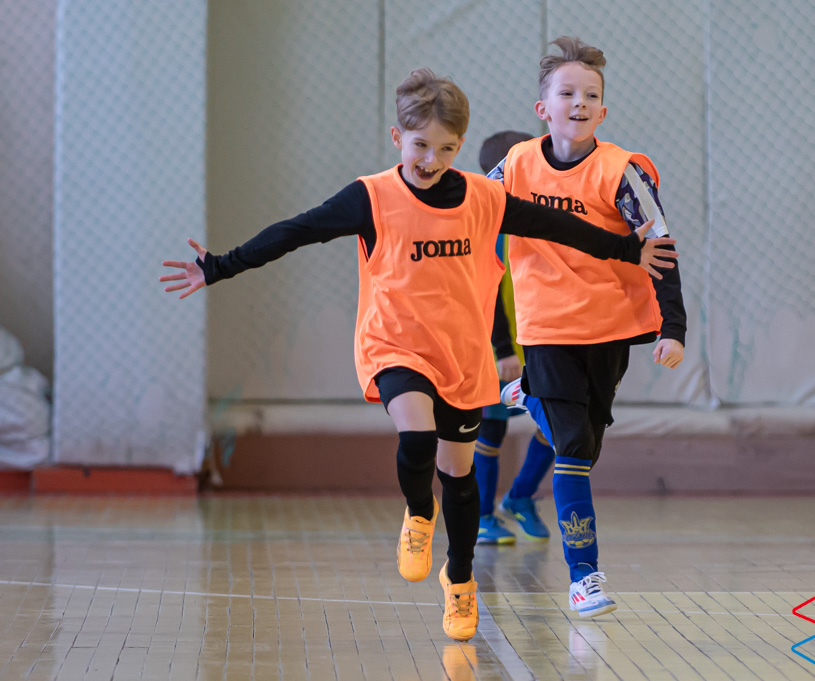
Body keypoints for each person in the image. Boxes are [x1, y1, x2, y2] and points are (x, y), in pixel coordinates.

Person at [159, 68, 678, 640]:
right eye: (421, 146)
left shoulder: (483, 196)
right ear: (397, 137)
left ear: (460, 146)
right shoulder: (372, 196)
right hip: (394, 344)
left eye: (447, 149)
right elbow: (296, 230)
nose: (432, 160)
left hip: (461, 354)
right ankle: (418, 512)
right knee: (416, 437)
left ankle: (460, 580)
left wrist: (629, 249)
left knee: (459, 474)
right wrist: (219, 267)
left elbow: (556, 226)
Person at [487, 37, 688, 618]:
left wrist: (672, 328)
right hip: (545, 326)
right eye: (567, 93)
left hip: (608, 327)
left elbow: (660, 246)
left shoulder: (622, 172)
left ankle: (527, 394)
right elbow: (468, 204)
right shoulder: (516, 165)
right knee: (572, 448)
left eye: (591, 95)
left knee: (586, 445)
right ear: (542, 109)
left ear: (603, 111)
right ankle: (585, 577)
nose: (579, 102)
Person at [473, 131, 557, 546]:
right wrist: (503, 349)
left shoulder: (538, 217)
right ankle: (482, 516)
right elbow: (486, 293)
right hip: (498, 349)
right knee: (491, 429)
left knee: (558, 421)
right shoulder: (487, 224)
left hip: (540, 344)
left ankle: (521, 496)